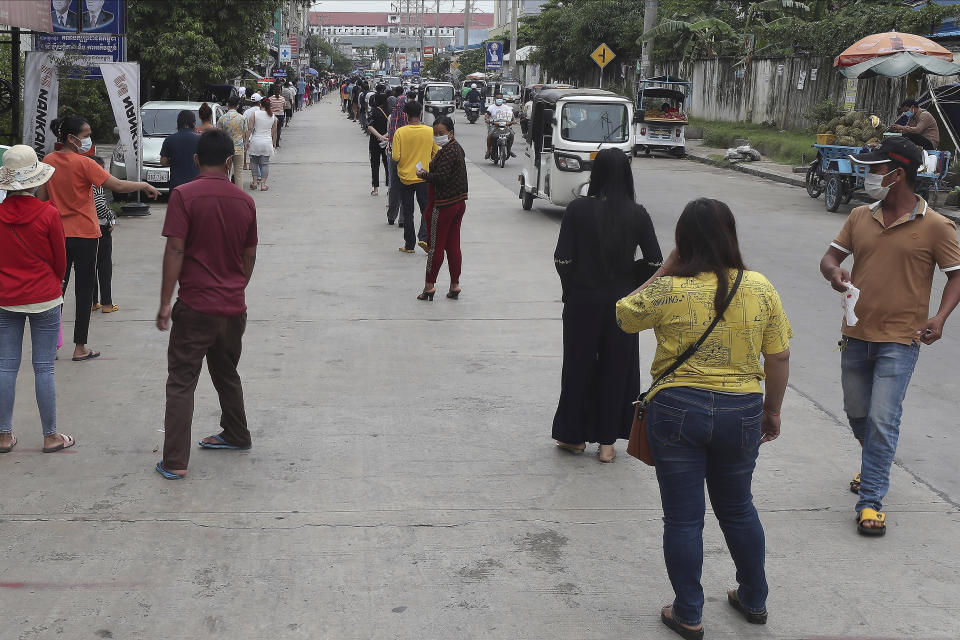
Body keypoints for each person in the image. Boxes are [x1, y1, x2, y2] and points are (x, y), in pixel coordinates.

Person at [616, 198, 792, 638]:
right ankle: (753, 598)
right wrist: (772, 409)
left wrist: (666, 266)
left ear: (683, 240)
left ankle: (689, 613)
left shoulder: (671, 287)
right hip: (742, 410)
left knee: (683, 518)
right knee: (738, 508)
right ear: (730, 235)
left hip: (677, 410)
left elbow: (624, 314)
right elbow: (779, 354)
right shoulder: (759, 286)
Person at [819, 137, 960, 536]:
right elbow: (830, 257)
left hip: (902, 338)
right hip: (856, 332)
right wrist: (835, 273)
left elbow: (956, 276)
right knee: (857, 413)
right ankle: (873, 467)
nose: (868, 175)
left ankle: (871, 502)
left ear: (897, 174)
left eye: (875, 169)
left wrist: (941, 316)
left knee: (883, 419)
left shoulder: (936, 226)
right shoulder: (861, 216)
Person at [154, 130, 257, 480]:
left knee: (182, 381)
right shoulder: (244, 201)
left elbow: (175, 249)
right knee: (226, 370)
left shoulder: (184, 195)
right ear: (231, 162)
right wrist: (236, 288)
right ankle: (237, 434)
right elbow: (249, 254)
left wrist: (166, 302)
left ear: (197, 160)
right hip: (232, 308)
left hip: (196, 306)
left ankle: (175, 461)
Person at [551, 149, 662, 462]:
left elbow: (562, 258)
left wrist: (570, 288)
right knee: (617, 368)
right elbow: (655, 261)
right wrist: (631, 284)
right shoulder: (637, 213)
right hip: (622, 304)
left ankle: (573, 437)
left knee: (578, 366)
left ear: (595, 174)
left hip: (583, 301)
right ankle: (608, 444)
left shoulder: (577, 210)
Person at [41, 116, 158, 362]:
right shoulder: (85, 164)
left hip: (57, 235)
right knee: (84, 292)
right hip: (85, 234)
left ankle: (50, 346)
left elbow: (41, 198)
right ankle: (79, 347)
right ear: (72, 139)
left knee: (56, 291)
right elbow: (116, 185)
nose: (88, 140)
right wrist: (143, 184)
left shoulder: (48, 162)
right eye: (85, 135)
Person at [0, 145, 74, 454]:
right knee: (44, 368)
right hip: (44, 296)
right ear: (35, 180)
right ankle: (50, 436)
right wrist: (55, 283)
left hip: (6, 298)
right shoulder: (48, 213)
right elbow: (60, 260)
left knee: (5, 367)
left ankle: (4, 436)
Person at [414, 117, 468, 301]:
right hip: (458, 204)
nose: (438, 137)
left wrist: (424, 175)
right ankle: (455, 284)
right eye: (435, 134)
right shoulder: (456, 148)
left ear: (450, 133)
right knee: (453, 246)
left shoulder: (448, 152)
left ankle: (429, 285)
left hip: (444, 205)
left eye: (441, 133)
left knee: (435, 247)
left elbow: (442, 177)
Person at [392, 99, 438, 253]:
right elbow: (436, 152)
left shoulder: (400, 132)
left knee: (407, 211)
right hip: (424, 177)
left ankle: (409, 245)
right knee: (426, 208)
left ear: (405, 115)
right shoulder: (430, 131)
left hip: (405, 178)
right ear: (420, 113)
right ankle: (424, 238)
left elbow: (395, 157)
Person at [90, 156, 117, 313]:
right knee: (104, 267)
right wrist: (111, 217)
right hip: (101, 228)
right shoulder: (96, 184)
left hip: (86, 229)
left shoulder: (81, 183)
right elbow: (100, 205)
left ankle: (93, 302)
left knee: (90, 266)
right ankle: (107, 304)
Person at [385, 89, 411, 226]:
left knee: (394, 187)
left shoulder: (391, 117)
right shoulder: (410, 120)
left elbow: (390, 136)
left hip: (393, 154)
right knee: (405, 186)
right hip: (407, 156)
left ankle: (391, 216)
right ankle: (402, 219)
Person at [160, 110, 201, 190]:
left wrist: (175, 161)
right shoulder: (200, 139)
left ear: (178, 123)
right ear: (193, 123)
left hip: (176, 185)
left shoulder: (169, 139)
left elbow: (163, 162)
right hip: (196, 184)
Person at [244, 95, 277, 192]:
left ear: (260, 104)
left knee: (254, 163)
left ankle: (254, 183)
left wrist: (246, 141)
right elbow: (274, 132)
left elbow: (250, 128)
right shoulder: (273, 116)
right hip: (266, 141)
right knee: (265, 164)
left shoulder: (255, 114)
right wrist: (274, 144)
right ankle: (263, 185)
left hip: (255, 141)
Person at [218, 95, 249, 187]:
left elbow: (219, 134)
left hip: (226, 149)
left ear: (227, 105)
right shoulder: (242, 118)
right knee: (239, 173)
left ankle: (226, 191)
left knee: (226, 172)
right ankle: (239, 192)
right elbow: (244, 133)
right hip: (239, 148)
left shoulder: (222, 118)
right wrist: (245, 143)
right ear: (237, 106)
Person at [367, 92, 391, 197]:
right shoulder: (390, 112)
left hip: (374, 141)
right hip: (387, 141)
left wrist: (379, 136)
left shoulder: (373, 111)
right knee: (388, 165)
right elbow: (392, 128)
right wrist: (384, 136)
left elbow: (370, 126)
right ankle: (389, 188)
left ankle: (375, 189)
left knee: (375, 164)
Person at [484, 92, 515, 159]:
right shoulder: (491, 107)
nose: (499, 99)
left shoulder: (506, 107)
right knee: (490, 135)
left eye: (500, 98)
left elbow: (512, 115)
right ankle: (488, 150)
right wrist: (487, 119)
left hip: (506, 125)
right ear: (495, 99)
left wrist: (513, 121)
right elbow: (487, 116)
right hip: (494, 125)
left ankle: (509, 150)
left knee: (511, 134)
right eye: (498, 98)